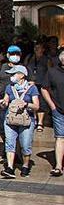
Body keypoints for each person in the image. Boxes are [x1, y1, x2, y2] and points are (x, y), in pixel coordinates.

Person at [0, 65, 39, 179]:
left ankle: (26, 165)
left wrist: (27, 104)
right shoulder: (9, 87)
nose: (11, 76)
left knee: (25, 144)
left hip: (26, 120)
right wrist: (4, 102)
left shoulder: (32, 88)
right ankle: (10, 168)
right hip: (11, 119)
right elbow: (6, 100)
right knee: (9, 143)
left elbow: (37, 106)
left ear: (22, 75)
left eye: (14, 74)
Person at [38, 48, 64, 178]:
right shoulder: (53, 72)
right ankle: (58, 166)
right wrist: (52, 106)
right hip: (59, 110)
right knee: (60, 137)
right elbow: (44, 88)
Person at [30, 41, 53, 132]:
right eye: (35, 47)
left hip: (42, 84)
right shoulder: (29, 58)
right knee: (32, 102)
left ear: (43, 49)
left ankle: (40, 122)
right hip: (31, 83)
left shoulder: (47, 59)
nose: (36, 49)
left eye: (38, 47)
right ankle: (34, 119)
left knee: (42, 104)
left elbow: (51, 72)